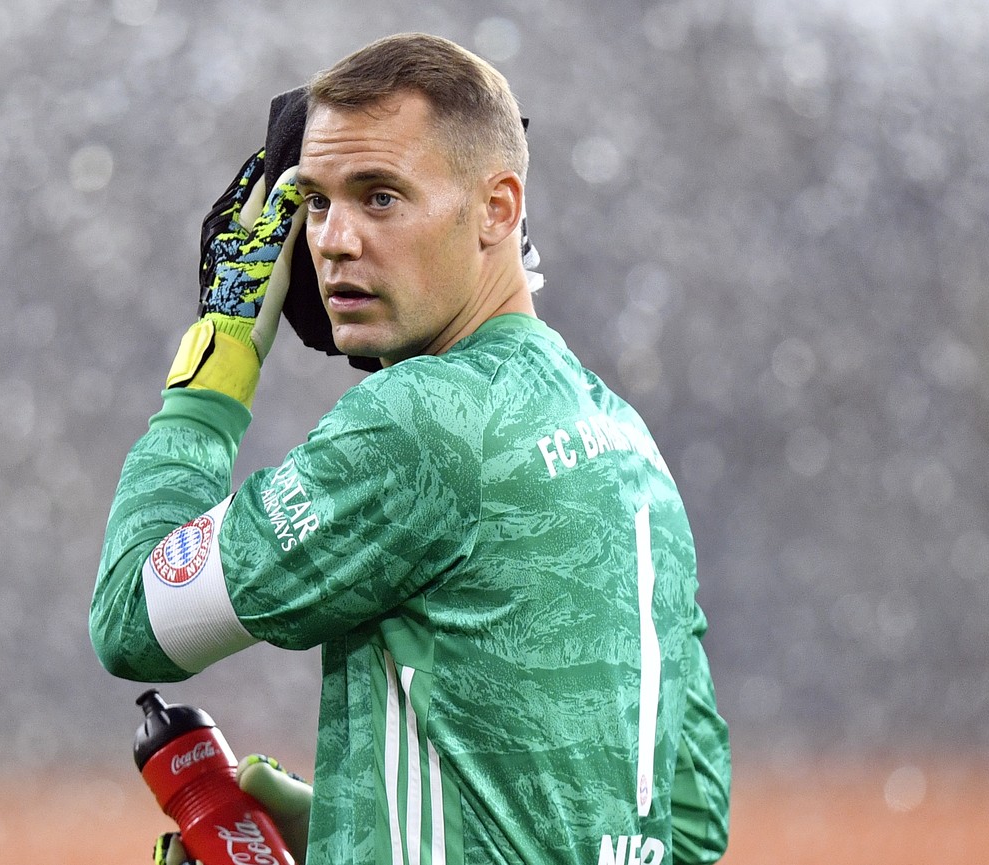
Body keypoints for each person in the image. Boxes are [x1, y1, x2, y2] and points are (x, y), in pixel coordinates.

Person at [91, 32, 730, 865]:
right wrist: (342, 827)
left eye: (380, 197)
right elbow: (688, 823)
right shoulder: (626, 444)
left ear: (498, 209)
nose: (333, 241)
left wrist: (217, 363)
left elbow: (132, 622)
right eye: (315, 202)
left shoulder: (421, 421)